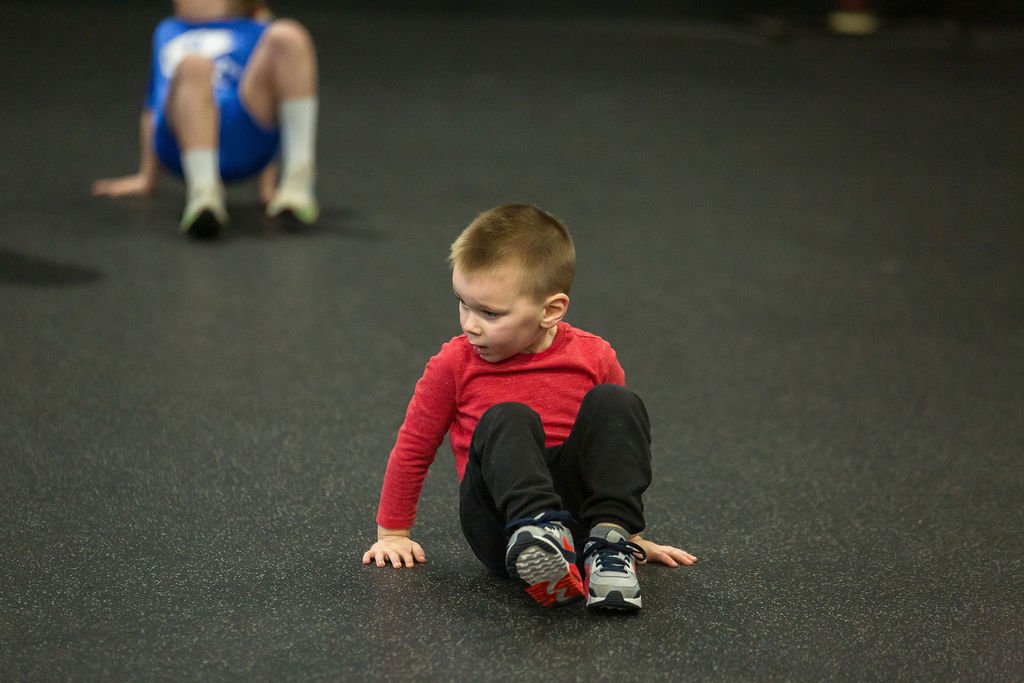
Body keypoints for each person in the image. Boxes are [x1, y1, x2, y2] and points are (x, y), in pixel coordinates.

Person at [362, 204, 697, 611]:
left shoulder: (594, 357)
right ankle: (539, 537)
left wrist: (630, 531)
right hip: (500, 523)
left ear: (551, 310)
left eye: (489, 313)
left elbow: (617, 453)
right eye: (463, 303)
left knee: (617, 404)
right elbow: (414, 446)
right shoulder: (453, 363)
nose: (469, 324)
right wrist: (392, 533)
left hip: (579, 518)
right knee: (509, 416)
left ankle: (607, 545)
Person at [92, 0, 319, 238]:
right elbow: (154, 102)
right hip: (181, 139)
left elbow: (269, 98)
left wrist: (267, 188)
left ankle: (297, 183)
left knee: (288, 35)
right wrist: (147, 177)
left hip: (242, 134)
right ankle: (203, 196)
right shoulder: (168, 30)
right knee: (194, 66)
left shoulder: (254, 29)